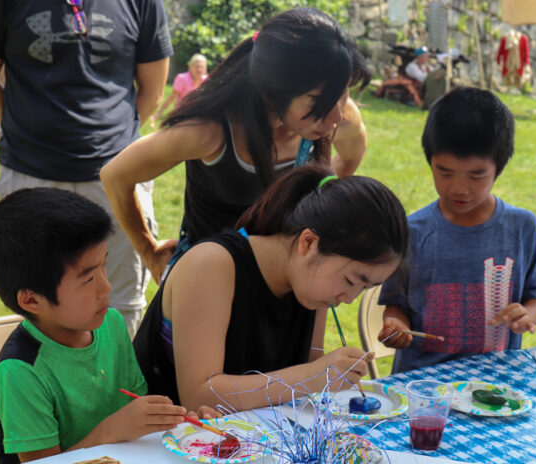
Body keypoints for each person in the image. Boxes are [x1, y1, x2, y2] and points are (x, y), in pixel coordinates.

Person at [100, 7, 371, 285]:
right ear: (272, 92)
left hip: (282, 287)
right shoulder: (210, 132)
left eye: (341, 93)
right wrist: (149, 250)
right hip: (207, 287)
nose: (336, 115)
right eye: (318, 99)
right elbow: (116, 175)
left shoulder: (338, 116)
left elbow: (350, 157)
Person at [0, 0, 173, 334]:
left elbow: (153, 89)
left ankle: (118, 386)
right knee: (36, 304)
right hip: (31, 176)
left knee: (120, 305)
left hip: (116, 182)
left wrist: (109, 147)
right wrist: (26, 131)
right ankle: (39, 387)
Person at [133, 165, 409, 413]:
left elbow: (306, 372)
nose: (349, 298)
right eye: (351, 280)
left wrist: (332, 372)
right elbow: (199, 397)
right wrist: (315, 374)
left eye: (365, 287)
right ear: (308, 243)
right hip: (159, 449)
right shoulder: (211, 265)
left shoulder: (312, 287)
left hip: (247, 447)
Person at [0, 188, 189, 464]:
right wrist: (111, 431)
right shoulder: (19, 373)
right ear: (31, 300)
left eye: (104, 265)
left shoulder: (110, 323)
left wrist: (184, 424)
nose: (107, 286)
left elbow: (135, 410)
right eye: (88, 279)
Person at [378, 87, 536, 374]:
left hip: (494, 379)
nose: (459, 188)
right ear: (429, 161)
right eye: (444, 172)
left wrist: (526, 316)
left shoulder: (523, 227)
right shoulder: (412, 232)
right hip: (423, 383)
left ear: (499, 168)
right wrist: (395, 327)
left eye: (476, 175)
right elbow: (395, 306)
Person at [152, 53, 208, 125]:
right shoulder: (182, 78)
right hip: (182, 112)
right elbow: (172, 97)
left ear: (205, 68)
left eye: (202, 67)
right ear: (190, 67)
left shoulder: (207, 80)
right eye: (197, 67)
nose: (199, 69)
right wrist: (159, 113)